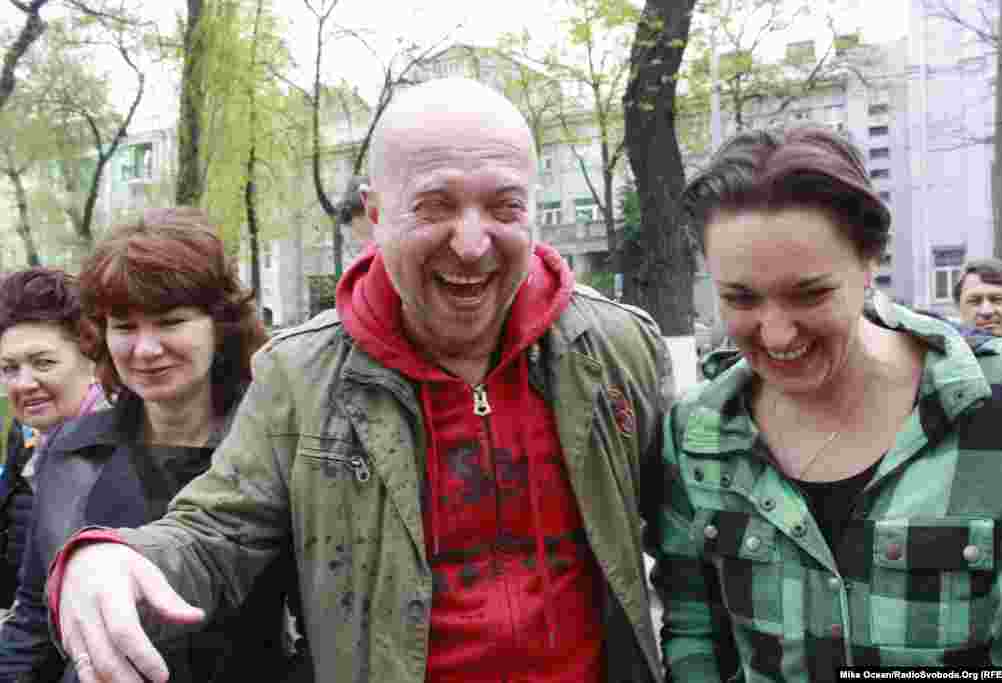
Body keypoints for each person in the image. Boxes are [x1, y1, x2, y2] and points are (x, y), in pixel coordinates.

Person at [45, 77, 673, 683]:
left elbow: (688, 546)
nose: (474, 243)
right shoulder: (301, 375)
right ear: (375, 213)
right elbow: (216, 532)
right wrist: (114, 557)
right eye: (435, 206)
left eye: (505, 206)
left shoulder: (616, 348)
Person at [656, 126, 1002, 682]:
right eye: (740, 297)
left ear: (871, 259)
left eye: (809, 294)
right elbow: (692, 628)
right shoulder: (696, 432)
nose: (776, 335)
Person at [0, 209, 296, 683]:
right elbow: (37, 619)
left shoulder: (274, 446)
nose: (145, 348)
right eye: (124, 327)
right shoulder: (71, 451)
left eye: (170, 321)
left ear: (219, 324)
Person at [0, 268, 105, 609]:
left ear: (91, 359)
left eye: (43, 363)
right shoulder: (35, 431)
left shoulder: (118, 453)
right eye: (9, 368)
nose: (23, 383)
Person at [954, 258, 1002, 341]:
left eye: (997, 300)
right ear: (958, 306)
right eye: (974, 301)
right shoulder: (943, 351)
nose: (986, 311)